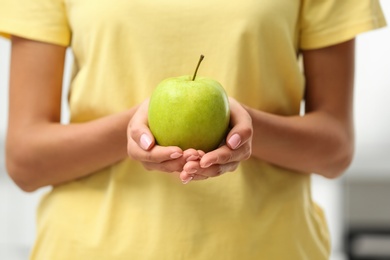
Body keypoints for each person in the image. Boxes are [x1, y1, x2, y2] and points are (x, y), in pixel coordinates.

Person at [0, 0, 386, 259]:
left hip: (267, 247)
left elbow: (335, 149)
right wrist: (135, 127)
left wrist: (240, 129)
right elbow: (25, 159)